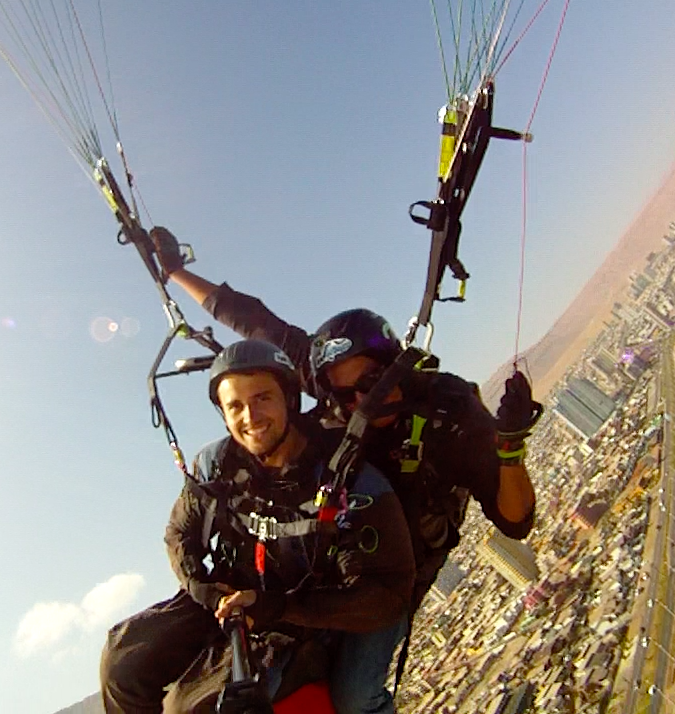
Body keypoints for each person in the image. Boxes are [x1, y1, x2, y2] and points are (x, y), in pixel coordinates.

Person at [149, 227, 541, 709]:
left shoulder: (448, 413)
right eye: (344, 395)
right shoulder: (331, 389)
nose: (362, 402)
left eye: (373, 383)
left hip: (392, 572)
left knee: (354, 697)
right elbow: (253, 321)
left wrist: (509, 449)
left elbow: (516, 520)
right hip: (329, 548)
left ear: (396, 366)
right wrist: (175, 271)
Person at [100, 339, 415, 714]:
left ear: (289, 399)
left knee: (198, 707)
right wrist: (204, 589)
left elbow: (385, 596)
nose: (250, 416)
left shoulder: (346, 478)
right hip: (233, 595)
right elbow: (179, 533)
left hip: (304, 611)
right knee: (122, 660)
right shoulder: (217, 465)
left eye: (262, 398)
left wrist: (276, 608)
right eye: (235, 406)